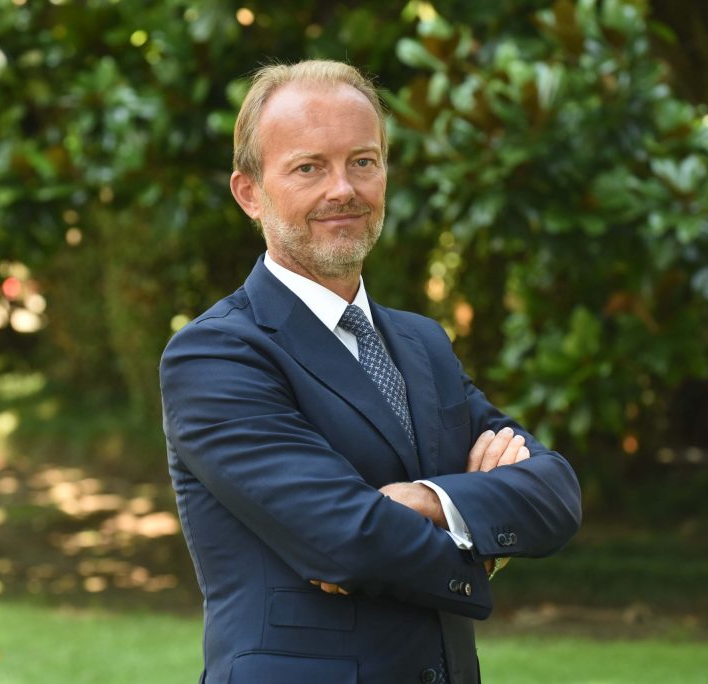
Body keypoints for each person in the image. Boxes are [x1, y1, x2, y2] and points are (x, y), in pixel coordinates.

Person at [160, 59, 581, 684]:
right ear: (249, 193)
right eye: (309, 167)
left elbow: (554, 492)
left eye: (363, 161)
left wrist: (427, 501)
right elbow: (348, 540)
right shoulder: (216, 355)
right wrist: (483, 542)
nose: (344, 189)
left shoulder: (422, 343)